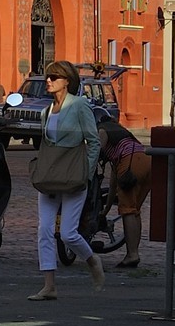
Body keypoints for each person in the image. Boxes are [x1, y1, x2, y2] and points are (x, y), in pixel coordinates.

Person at [30, 59, 104, 300]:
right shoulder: (46, 111)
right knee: (44, 229)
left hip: (73, 176)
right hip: (50, 176)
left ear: (67, 81)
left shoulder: (79, 105)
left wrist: (87, 173)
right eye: (47, 77)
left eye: (54, 77)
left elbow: (93, 142)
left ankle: (92, 260)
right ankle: (49, 285)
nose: (48, 81)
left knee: (68, 233)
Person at [98, 105, 151, 270]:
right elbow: (114, 181)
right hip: (147, 160)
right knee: (134, 210)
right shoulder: (122, 132)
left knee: (127, 210)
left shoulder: (102, 130)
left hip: (130, 163)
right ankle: (134, 252)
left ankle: (132, 255)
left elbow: (95, 152)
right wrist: (106, 210)